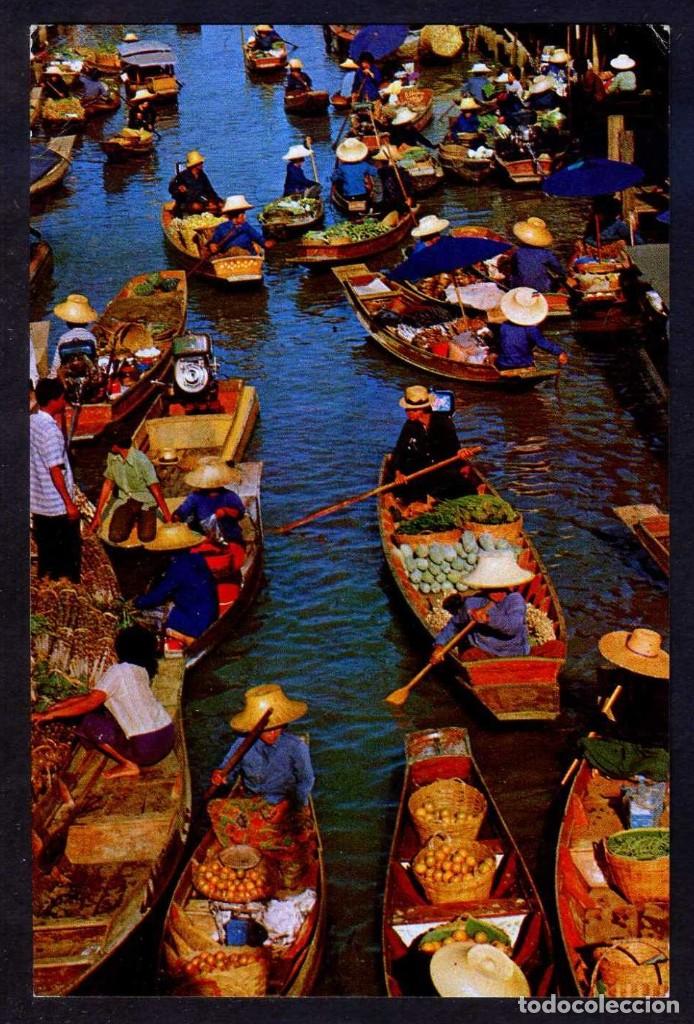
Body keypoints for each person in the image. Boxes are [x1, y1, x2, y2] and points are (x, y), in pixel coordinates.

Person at [31, 624, 175, 780]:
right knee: (105, 715)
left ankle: (129, 764)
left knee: (89, 722)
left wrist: (50, 715)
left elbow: (90, 703)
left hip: (148, 747)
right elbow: (92, 696)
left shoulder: (117, 671)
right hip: (167, 737)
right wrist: (60, 705)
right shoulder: (141, 671)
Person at [210, 684, 315, 811]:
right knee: (214, 808)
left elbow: (306, 780)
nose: (273, 734)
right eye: (268, 730)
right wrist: (221, 775)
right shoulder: (242, 743)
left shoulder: (296, 746)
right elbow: (229, 768)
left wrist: (289, 805)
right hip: (251, 798)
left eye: (277, 728)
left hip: (282, 801)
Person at [430, 550, 533, 662]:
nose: (497, 592)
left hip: (514, 653)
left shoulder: (514, 600)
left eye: (501, 587)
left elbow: (513, 627)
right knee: (469, 654)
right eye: (492, 588)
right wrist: (440, 645)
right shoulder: (473, 602)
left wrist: (488, 619)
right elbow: (455, 625)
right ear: (484, 587)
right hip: (484, 652)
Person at [134, 522, 218, 648]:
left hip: (196, 622)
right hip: (211, 614)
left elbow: (157, 596)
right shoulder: (197, 558)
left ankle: (179, 635)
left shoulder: (176, 567)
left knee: (143, 613)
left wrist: (137, 602)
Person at [30, 378, 81, 584]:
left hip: (38, 502)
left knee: (46, 550)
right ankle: (68, 584)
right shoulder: (50, 431)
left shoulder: (31, 422)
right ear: (54, 401)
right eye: (62, 398)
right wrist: (69, 504)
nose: (64, 401)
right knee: (68, 554)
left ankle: (46, 580)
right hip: (55, 504)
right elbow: (55, 470)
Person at [390, 385, 478, 502]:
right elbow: (399, 451)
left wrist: (461, 453)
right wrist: (398, 473)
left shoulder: (444, 423)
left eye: (413, 410)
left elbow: (455, 449)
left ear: (423, 409)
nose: (408, 413)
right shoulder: (409, 426)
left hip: (441, 472)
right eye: (407, 409)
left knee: (465, 491)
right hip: (419, 472)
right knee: (404, 492)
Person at [173, 459, 246, 589]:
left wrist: (225, 511)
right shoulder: (195, 497)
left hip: (229, 537)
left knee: (231, 560)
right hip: (204, 538)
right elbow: (182, 512)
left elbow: (239, 513)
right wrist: (176, 517)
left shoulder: (229, 496)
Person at [88, 441, 173, 544]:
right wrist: (98, 514)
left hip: (145, 502)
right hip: (125, 500)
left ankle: (140, 518)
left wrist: (168, 517)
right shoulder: (112, 457)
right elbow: (108, 483)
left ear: (116, 445)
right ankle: (131, 519)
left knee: (146, 537)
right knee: (116, 536)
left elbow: (155, 489)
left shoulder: (141, 460)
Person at [496, 288, 568, 371]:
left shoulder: (504, 325)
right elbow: (542, 342)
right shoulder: (530, 328)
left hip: (503, 363)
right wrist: (559, 352)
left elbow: (500, 343)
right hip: (522, 364)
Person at [508, 217, 566, 293]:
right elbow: (557, 268)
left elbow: (513, 268)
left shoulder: (518, 252)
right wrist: (564, 274)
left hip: (519, 286)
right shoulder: (546, 254)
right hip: (540, 288)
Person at [50, 293, 99, 377]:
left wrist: (52, 376)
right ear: (86, 322)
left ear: (68, 322)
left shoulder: (64, 338)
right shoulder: (91, 337)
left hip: (69, 375)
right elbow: (95, 358)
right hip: (87, 375)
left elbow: (56, 363)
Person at [168, 150, 222, 217]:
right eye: (200, 163)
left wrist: (216, 201)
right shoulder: (182, 176)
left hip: (202, 200)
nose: (202, 164)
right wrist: (179, 188)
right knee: (196, 206)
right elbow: (172, 188)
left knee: (220, 204)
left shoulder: (202, 175)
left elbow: (210, 190)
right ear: (195, 165)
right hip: (187, 203)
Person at [332, 137, 377, 203]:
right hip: (362, 195)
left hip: (348, 195)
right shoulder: (364, 165)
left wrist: (340, 177)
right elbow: (374, 172)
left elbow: (334, 179)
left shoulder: (342, 167)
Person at [370, 146, 412, 215]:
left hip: (398, 200)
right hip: (388, 201)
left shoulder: (399, 171)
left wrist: (409, 198)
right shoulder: (380, 172)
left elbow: (407, 185)